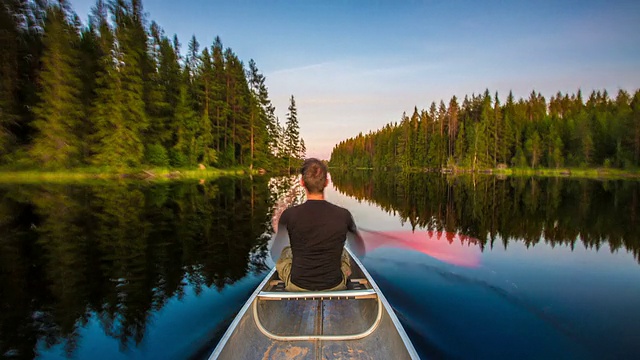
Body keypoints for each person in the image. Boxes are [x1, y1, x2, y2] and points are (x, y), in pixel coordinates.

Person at [274, 158, 363, 291]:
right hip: (335, 285)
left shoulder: (289, 215)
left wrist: (279, 227)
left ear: (302, 182)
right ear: (326, 182)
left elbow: (274, 252)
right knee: (344, 253)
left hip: (297, 285)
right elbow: (359, 249)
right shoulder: (344, 214)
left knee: (286, 252)